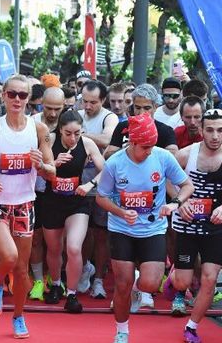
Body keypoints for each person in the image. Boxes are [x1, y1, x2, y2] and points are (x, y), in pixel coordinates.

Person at [0, 74, 55, 338]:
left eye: (23, 95)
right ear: (4, 95)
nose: (17, 99)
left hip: (24, 204)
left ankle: (18, 316)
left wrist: (41, 165)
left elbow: (51, 173)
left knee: (21, 269)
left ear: (30, 99)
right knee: (7, 256)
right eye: (12, 94)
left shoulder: (38, 129)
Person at [96, 113, 194, 343]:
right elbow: (101, 198)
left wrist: (174, 204)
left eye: (153, 145)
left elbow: (186, 185)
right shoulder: (115, 163)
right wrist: (121, 212)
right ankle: (122, 331)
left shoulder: (162, 157)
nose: (150, 150)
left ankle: (138, 286)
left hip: (152, 229)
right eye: (146, 146)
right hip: (122, 228)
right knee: (122, 284)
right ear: (132, 142)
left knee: (150, 283)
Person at [167, 108, 222, 343]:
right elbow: (166, 180)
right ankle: (173, 279)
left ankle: (191, 327)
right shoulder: (185, 154)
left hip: (216, 226)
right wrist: (179, 203)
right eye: (209, 130)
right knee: (183, 282)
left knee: (210, 278)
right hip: (188, 224)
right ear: (200, 130)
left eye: (220, 130)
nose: (215, 136)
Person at [41, 110, 105, 313]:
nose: (72, 138)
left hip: (77, 201)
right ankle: (55, 284)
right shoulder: (49, 141)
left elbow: (106, 170)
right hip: (52, 202)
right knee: (53, 249)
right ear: (60, 130)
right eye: (68, 133)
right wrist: (52, 165)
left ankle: (72, 293)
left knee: (74, 248)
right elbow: (36, 169)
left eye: (77, 133)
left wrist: (91, 184)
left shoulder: (87, 144)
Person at [77, 80, 118, 298]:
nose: (87, 106)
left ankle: (100, 280)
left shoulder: (109, 117)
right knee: (81, 235)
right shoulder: (77, 114)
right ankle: (85, 269)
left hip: (103, 185)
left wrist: (81, 135)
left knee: (102, 236)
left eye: (93, 102)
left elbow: (108, 139)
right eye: (84, 101)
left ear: (103, 100)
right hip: (80, 185)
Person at [29, 87, 65, 301]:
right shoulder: (30, 122)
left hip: (61, 193)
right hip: (35, 189)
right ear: (41, 102)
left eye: (57, 109)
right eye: (48, 108)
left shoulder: (71, 122)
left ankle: (56, 278)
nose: (52, 113)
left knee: (57, 241)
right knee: (34, 238)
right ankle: (38, 280)